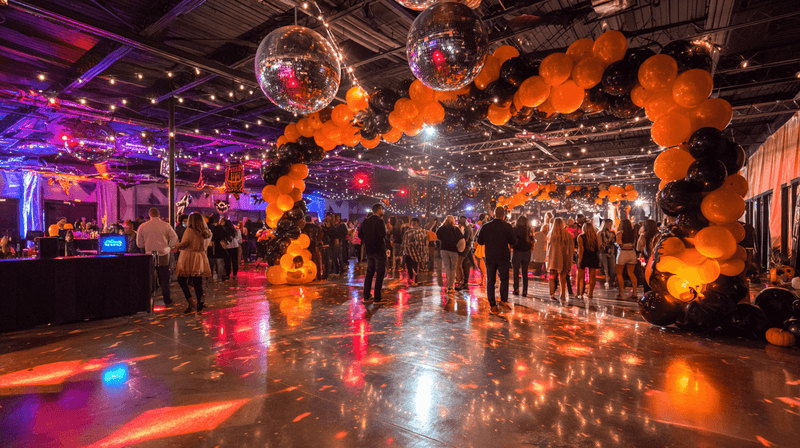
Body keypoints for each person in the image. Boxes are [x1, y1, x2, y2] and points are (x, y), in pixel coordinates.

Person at [477, 207, 516, 314]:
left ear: (494, 214)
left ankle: (492, 304)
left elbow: (479, 241)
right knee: (504, 278)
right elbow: (513, 241)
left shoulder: (486, 226)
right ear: (504, 215)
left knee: (491, 280)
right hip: (503, 256)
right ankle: (503, 300)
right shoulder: (507, 226)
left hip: (490, 256)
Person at [137, 208, 179, 306]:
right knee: (164, 278)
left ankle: (148, 301)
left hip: (149, 255)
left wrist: (145, 245)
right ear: (159, 214)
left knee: (149, 278)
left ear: (149, 214)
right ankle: (167, 300)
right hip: (163, 253)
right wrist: (169, 246)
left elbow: (139, 244)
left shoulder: (143, 226)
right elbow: (174, 237)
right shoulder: (166, 225)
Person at [174, 213, 212, 313]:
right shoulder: (207, 232)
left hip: (189, 256)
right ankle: (200, 302)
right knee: (197, 281)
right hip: (200, 256)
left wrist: (174, 246)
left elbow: (185, 243)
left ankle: (190, 300)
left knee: (181, 279)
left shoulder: (189, 230)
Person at [358, 203, 387, 303]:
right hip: (379, 250)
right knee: (380, 273)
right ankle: (377, 298)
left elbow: (360, 234)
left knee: (369, 273)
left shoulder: (365, 221)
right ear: (379, 209)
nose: (382, 211)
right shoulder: (380, 221)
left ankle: (366, 296)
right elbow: (383, 234)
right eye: (382, 209)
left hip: (369, 250)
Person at [546, 217, 574, 302]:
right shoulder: (567, 235)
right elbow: (571, 249)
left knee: (552, 276)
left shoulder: (550, 235)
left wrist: (547, 258)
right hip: (564, 256)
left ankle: (552, 294)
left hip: (553, 257)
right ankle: (562, 294)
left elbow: (548, 249)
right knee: (563, 276)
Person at [436, 215, 464, 293]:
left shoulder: (441, 229)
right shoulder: (456, 229)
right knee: (453, 268)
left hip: (444, 250)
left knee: (447, 267)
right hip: (453, 250)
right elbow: (461, 239)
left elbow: (438, 237)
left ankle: (449, 285)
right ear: (453, 221)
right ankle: (451, 287)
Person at [615, 219, 639, 300]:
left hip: (623, 253)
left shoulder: (620, 233)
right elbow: (634, 244)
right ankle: (635, 292)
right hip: (632, 252)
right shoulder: (633, 233)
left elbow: (619, 243)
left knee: (619, 274)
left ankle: (621, 292)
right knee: (631, 273)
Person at [577, 221, 601, 300]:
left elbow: (581, 250)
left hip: (584, 256)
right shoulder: (595, 237)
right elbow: (598, 248)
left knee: (581, 276)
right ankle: (590, 293)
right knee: (592, 276)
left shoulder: (581, 237)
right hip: (593, 256)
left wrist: (580, 260)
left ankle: (580, 293)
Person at [402, 217, 428, 286]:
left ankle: (411, 278)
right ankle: (416, 279)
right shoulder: (423, 231)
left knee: (409, 266)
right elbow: (425, 242)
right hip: (419, 252)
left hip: (408, 252)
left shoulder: (407, 232)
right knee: (416, 266)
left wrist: (405, 252)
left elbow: (404, 244)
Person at [511, 216, 533, 296]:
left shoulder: (515, 229)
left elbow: (512, 240)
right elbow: (532, 240)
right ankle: (525, 291)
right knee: (525, 272)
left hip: (517, 252)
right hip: (527, 252)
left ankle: (516, 289)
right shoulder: (528, 229)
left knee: (516, 272)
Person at [637, 219, 659, 292]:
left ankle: (646, 293)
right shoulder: (659, 235)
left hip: (645, 259)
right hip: (656, 259)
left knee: (646, 276)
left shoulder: (643, 236)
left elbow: (638, 248)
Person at [207, 214, 231, 280]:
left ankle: (210, 278)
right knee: (219, 265)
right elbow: (228, 238)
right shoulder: (221, 228)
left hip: (211, 249)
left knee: (211, 265)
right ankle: (219, 278)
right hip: (220, 249)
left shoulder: (208, 228)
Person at [302, 216, 323, 280]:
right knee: (317, 261)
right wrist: (319, 241)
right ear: (311, 220)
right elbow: (321, 235)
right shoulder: (317, 227)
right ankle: (318, 275)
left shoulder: (303, 228)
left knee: (308, 262)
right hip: (315, 245)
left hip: (307, 246)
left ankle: (310, 276)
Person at [597, 219, 616, 288]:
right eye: (609, 224)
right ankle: (608, 281)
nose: (610, 225)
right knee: (606, 268)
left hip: (610, 251)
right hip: (604, 251)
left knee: (612, 267)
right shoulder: (601, 233)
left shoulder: (612, 233)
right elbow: (599, 243)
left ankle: (610, 281)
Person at [457, 216, 475, 288]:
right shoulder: (468, 228)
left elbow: (465, 240)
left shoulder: (467, 229)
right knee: (465, 265)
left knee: (461, 265)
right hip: (468, 249)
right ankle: (464, 282)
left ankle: (463, 281)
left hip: (466, 249)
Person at [474, 213, 487, 286]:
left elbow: (476, 234)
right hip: (481, 245)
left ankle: (483, 279)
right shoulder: (483, 224)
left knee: (480, 261)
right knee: (481, 261)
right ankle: (484, 278)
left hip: (478, 244)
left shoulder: (477, 224)